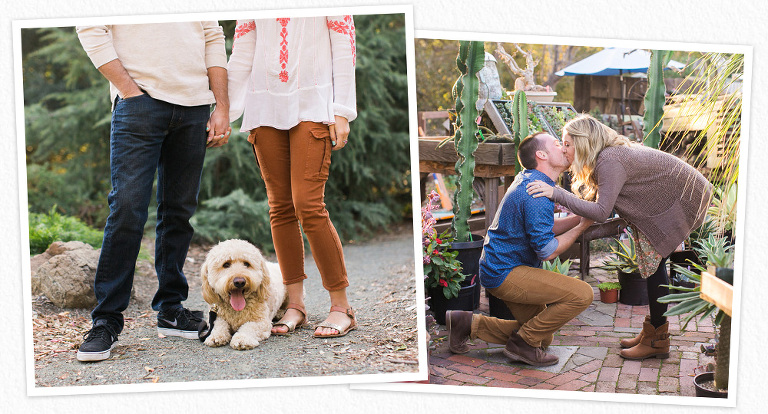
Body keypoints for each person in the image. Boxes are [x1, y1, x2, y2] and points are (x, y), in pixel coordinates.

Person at [75, 22, 230, 362]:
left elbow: (213, 36)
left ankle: (171, 309)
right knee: (127, 210)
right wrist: (129, 91)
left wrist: (221, 105)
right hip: (139, 104)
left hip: (194, 107)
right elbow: (89, 27)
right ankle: (106, 321)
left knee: (179, 211)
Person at [527, 114, 713, 360]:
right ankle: (652, 332)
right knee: (652, 265)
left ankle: (657, 340)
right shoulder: (606, 159)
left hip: (684, 198)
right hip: (673, 198)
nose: (564, 149)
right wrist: (575, 233)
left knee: (654, 265)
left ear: (583, 143)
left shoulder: (609, 161)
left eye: (568, 144)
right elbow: (604, 220)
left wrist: (556, 194)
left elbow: (601, 213)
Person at [227, 16, 357, 338]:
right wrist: (223, 110)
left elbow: (343, 43)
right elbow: (242, 49)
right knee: (280, 207)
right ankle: (294, 305)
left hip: (313, 101)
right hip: (264, 103)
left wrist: (341, 109)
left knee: (308, 205)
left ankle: (342, 308)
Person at [446, 132, 595, 367]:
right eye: (558, 144)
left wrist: (578, 219)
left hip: (500, 267)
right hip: (506, 272)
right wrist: (581, 228)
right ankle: (523, 344)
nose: (564, 148)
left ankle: (466, 324)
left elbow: (542, 227)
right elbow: (547, 251)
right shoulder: (536, 193)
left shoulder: (533, 181)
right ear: (541, 155)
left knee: (543, 337)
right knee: (582, 294)